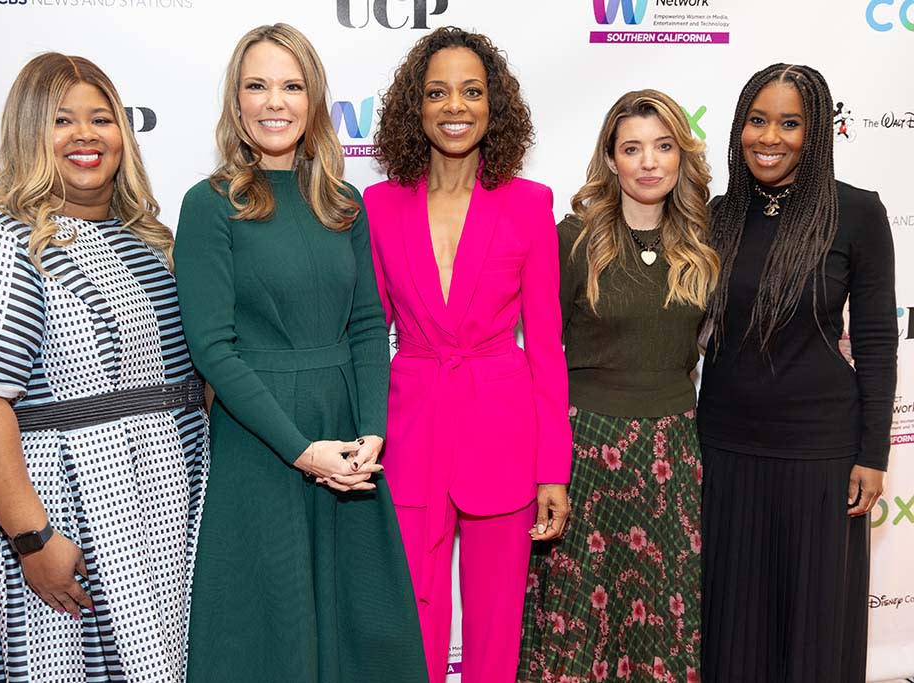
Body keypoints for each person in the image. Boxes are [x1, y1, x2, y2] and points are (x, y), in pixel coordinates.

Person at [0, 53, 209, 682]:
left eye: (102, 119)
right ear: (28, 133)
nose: (86, 136)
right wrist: (32, 539)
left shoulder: (149, 240)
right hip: (64, 512)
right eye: (61, 121)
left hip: (161, 509)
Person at [173, 23, 427, 683]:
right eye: (257, 85)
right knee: (267, 632)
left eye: (290, 85)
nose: (274, 101)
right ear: (235, 101)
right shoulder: (209, 206)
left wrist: (370, 430)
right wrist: (299, 449)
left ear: (313, 100)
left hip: (346, 439)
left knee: (362, 631)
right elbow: (213, 348)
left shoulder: (343, 203)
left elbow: (370, 323)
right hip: (260, 444)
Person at [364, 27, 572, 683]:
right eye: (438, 92)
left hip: (503, 433)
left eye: (472, 91)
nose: (456, 106)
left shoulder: (530, 205)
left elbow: (545, 346)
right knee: (414, 618)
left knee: (495, 627)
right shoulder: (377, 207)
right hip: (411, 431)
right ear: (415, 108)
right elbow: (372, 337)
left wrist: (552, 469)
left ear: (493, 105)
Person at [698, 63, 896, 683]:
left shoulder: (857, 213)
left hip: (820, 453)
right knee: (733, 624)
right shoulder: (718, 214)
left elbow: (875, 339)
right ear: (739, 127)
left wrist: (873, 452)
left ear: (816, 134)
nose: (770, 137)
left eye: (790, 123)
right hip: (726, 447)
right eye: (758, 121)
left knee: (813, 626)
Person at [518, 89, 719, 683]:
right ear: (610, 159)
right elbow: (541, 357)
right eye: (632, 148)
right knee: (580, 624)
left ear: (682, 154)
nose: (649, 162)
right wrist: (546, 465)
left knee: (664, 618)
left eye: (663, 146)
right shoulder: (573, 240)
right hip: (587, 452)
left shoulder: (705, 243)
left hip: (675, 453)